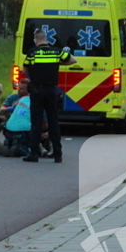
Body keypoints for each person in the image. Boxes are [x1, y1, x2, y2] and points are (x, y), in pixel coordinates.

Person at [22, 29, 77, 163]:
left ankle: (33, 153)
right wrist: (56, 63)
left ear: (36, 40)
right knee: (53, 122)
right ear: (46, 39)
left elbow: (25, 70)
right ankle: (57, 154)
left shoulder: (32, 53)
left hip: (37, 90)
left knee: (36, 122)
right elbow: (73, 60)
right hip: (52, 90)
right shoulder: (57, 52)